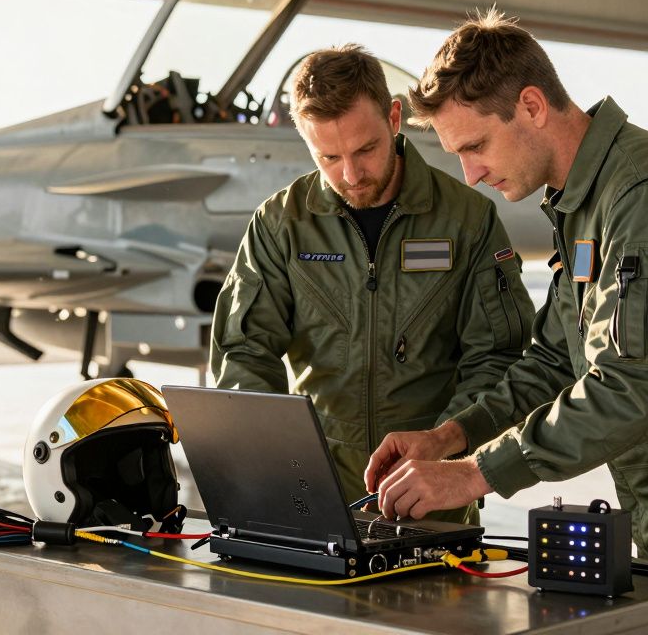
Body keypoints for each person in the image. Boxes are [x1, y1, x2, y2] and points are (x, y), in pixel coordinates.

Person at [364, 10, 648, 634]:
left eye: (474, 146)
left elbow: (631, 388)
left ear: (531, 106)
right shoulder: (586, 202)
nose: (470, 174)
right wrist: (449, 436)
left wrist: (475, 474)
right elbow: (555, 362)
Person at [209, 44, 534, 523]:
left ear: (395, 118)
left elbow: (497, 358)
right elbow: (244, 352)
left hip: (431, 495)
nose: (351, 174)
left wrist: (446, 450)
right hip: (312, 493)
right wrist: (276, 462)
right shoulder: (282, 224)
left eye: (365, 149)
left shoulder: (468, 220)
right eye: (329, 157)